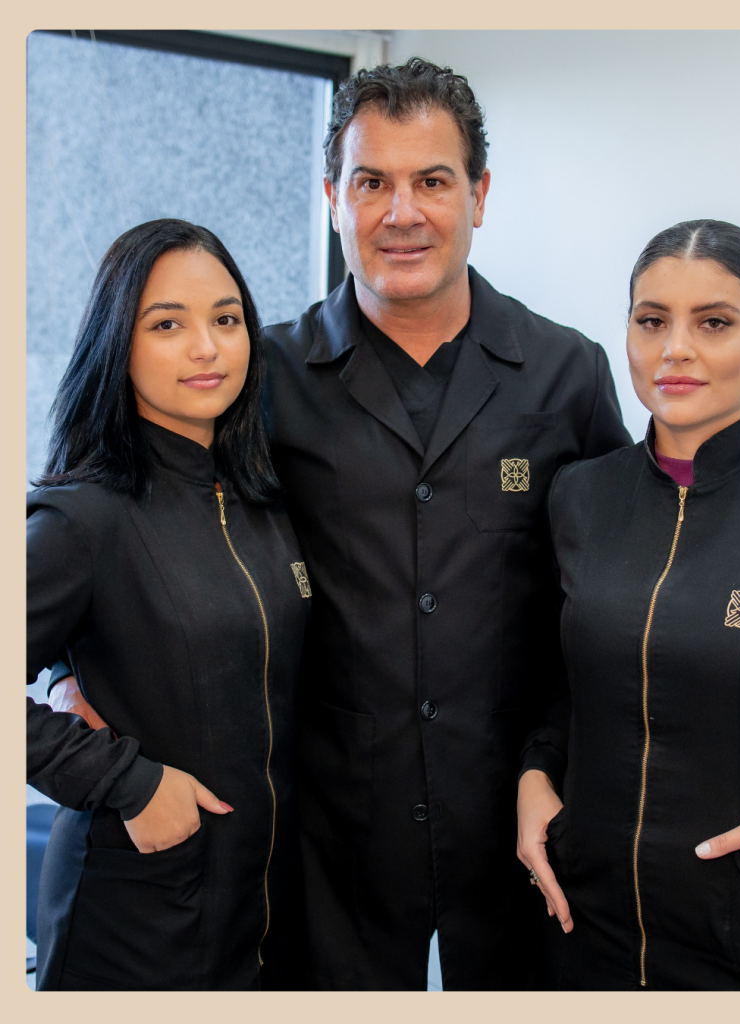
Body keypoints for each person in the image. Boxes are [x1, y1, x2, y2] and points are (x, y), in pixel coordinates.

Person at [52, 58, 632, 990]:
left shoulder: (567, 373)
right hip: (317, 843)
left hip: (520, 823)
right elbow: (140, 525)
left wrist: (557, 761)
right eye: (370, 183)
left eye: (431, 181)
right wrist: (63, 679)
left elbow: (612, 598)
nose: (401, 213)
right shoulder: (258, 378)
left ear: (479, 195)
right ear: (332, 198)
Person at [28, 219, 310, 990]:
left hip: (261, 917)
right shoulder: (82, 516)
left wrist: (64, 668)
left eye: (226, 319)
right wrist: (124, 782)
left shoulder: (259, 500)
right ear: (117, 343)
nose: (206, 347)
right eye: (167, 324)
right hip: (136, 922)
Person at [517, 219, 740, 990]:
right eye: (650, 320)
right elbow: (563, 681)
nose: (675, 348)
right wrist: (535, 773)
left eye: (713, 322)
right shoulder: (578, 495)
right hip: (580, 923)